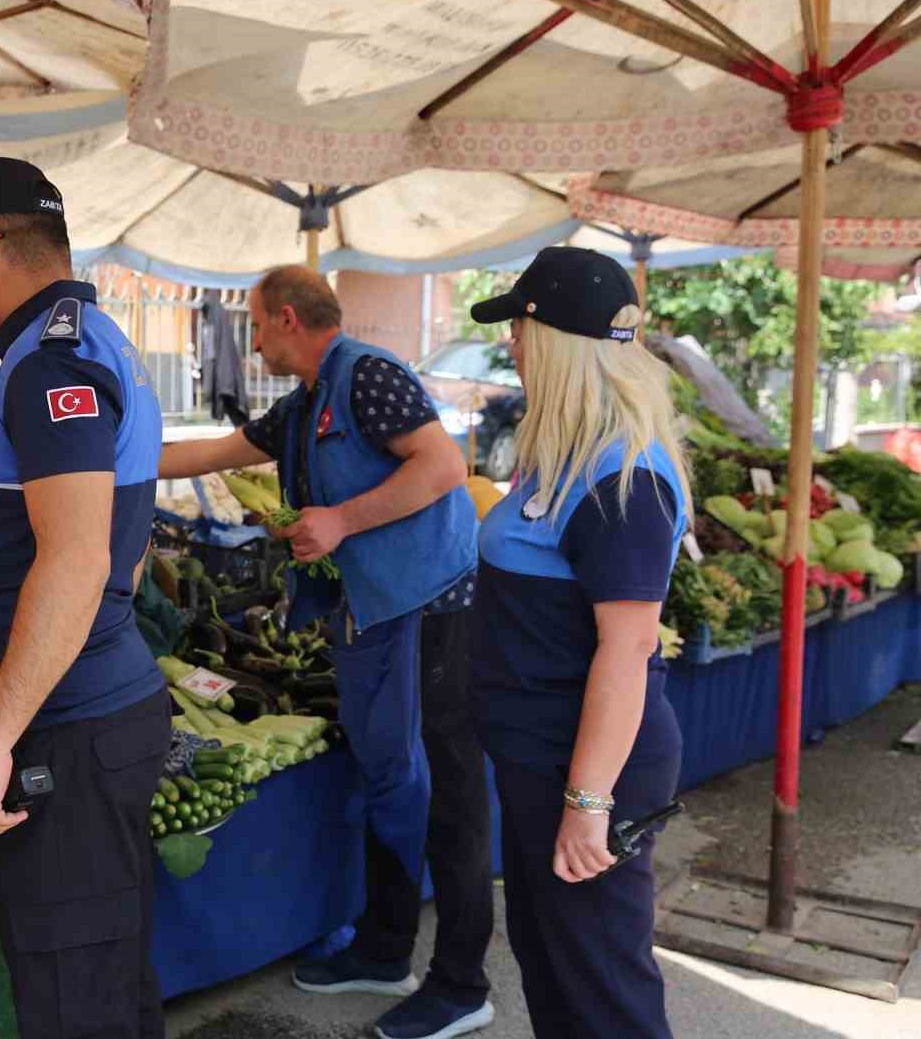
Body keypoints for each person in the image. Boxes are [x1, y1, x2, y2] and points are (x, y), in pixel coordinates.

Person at [158, 265, 495, 1039]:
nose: (253, 338)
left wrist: (339, 520)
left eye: (257, 323)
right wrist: (115, 463)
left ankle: (460, 980)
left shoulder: (369, 376)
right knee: (388, 774)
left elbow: (444, 466)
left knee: (443, 787)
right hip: (368, 611)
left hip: (430, 607)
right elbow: (214, 453)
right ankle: (384, 949)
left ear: (285, 318)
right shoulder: (305, 403)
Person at [0, 155, 169, 1039]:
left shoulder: (51, 361)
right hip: (89, 720)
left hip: (67, 734)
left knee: (73, 1005)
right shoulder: (79, 341)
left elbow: (76, 559)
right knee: (104, 982)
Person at [466, 247, 689, 1039]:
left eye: (520, 331)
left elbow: (626, 652)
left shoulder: (621, 478)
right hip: (543, 758)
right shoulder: (560, 455)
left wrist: (588, 805)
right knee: (554, 962)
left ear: (551, 340)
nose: (512, 348)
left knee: (602, 987)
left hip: (587, 766)